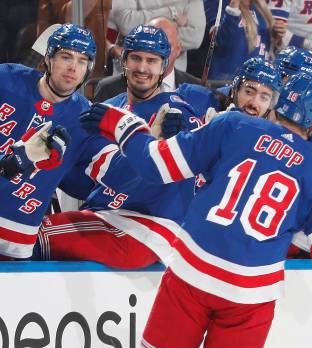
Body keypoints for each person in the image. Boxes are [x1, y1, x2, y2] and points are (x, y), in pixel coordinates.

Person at [80, 74, 312, 348]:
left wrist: (122, 124)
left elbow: (156, 165)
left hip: (190, 273)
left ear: (277, 103)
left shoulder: (233, 125)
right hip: (249, 296)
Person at [33, 24, 217, 269]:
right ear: (124, 61)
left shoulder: (176, 113)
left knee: (29, 240)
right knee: (25, 229)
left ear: (164, 66)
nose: (142, 68)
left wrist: (167, 144)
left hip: (146, 227)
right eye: (136, 58)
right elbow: (86, 181)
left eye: (151, 61)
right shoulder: (108, 106)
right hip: (106, 216)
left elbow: (181, 176)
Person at [0, 23, 133, 260]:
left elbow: (115, 175)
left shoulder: (86, 119)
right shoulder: (6, 80)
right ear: (49, 58)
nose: (73, 67)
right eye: (65, 56)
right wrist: (10, 162)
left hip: (16, 240)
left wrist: (148, 142)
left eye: (82, 60)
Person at [93, 16, 201, 103]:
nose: (142, 68)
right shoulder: (108, 89)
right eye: (136, 58)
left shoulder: (198, 89)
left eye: (165, 47)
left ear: (178, 49)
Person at [110, 0, 205, 72]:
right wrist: (171, 12)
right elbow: (125, 22)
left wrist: (143, 36)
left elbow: (195, 37)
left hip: (171, 76)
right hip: (131, 71)